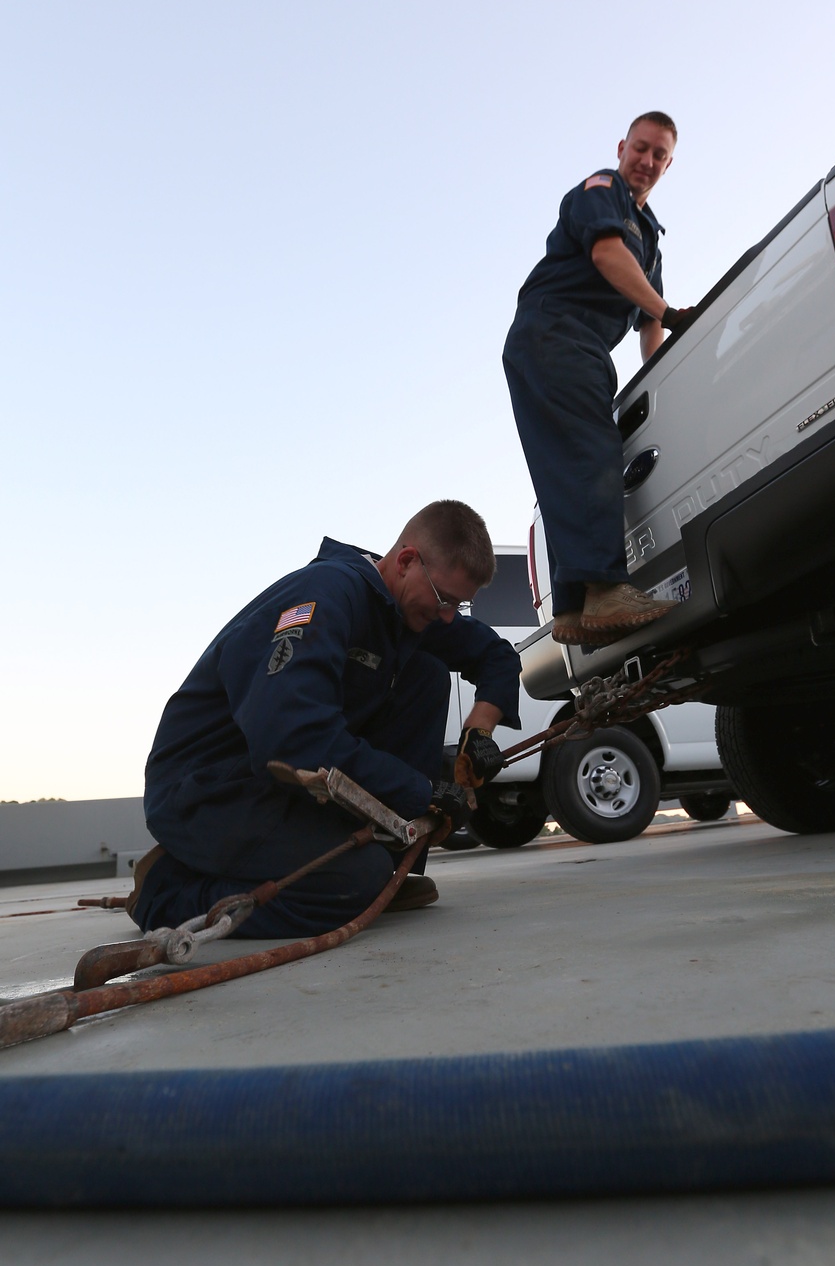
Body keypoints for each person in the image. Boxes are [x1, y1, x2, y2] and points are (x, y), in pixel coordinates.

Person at [129, 501, 521, 937]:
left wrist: (478, 733)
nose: (448, 616)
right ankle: (166, 891)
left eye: (459, 606)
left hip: (276, 783)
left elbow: (496, 656)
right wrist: (422, 792)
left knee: (426, 676)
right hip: (210, 788)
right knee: (350, 881)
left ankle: (387, 873)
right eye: (445, 599)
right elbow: (294, 737)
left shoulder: (408, 606)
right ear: (407, 561)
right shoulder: (327, 593)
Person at [503, 111, 692, 647]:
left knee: (561, 464)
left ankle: (571, 610)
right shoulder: (601, 190)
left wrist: (659, 377)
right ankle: (606, 589)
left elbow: (649, 324)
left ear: (669, 164)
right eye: (641, 148)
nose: (647, 161)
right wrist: (674, 313)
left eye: (659, 155)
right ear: (621, 147)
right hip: (556, 334)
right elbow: (608, 254)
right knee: (591, 451)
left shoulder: (651, 240)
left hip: (565, 347)